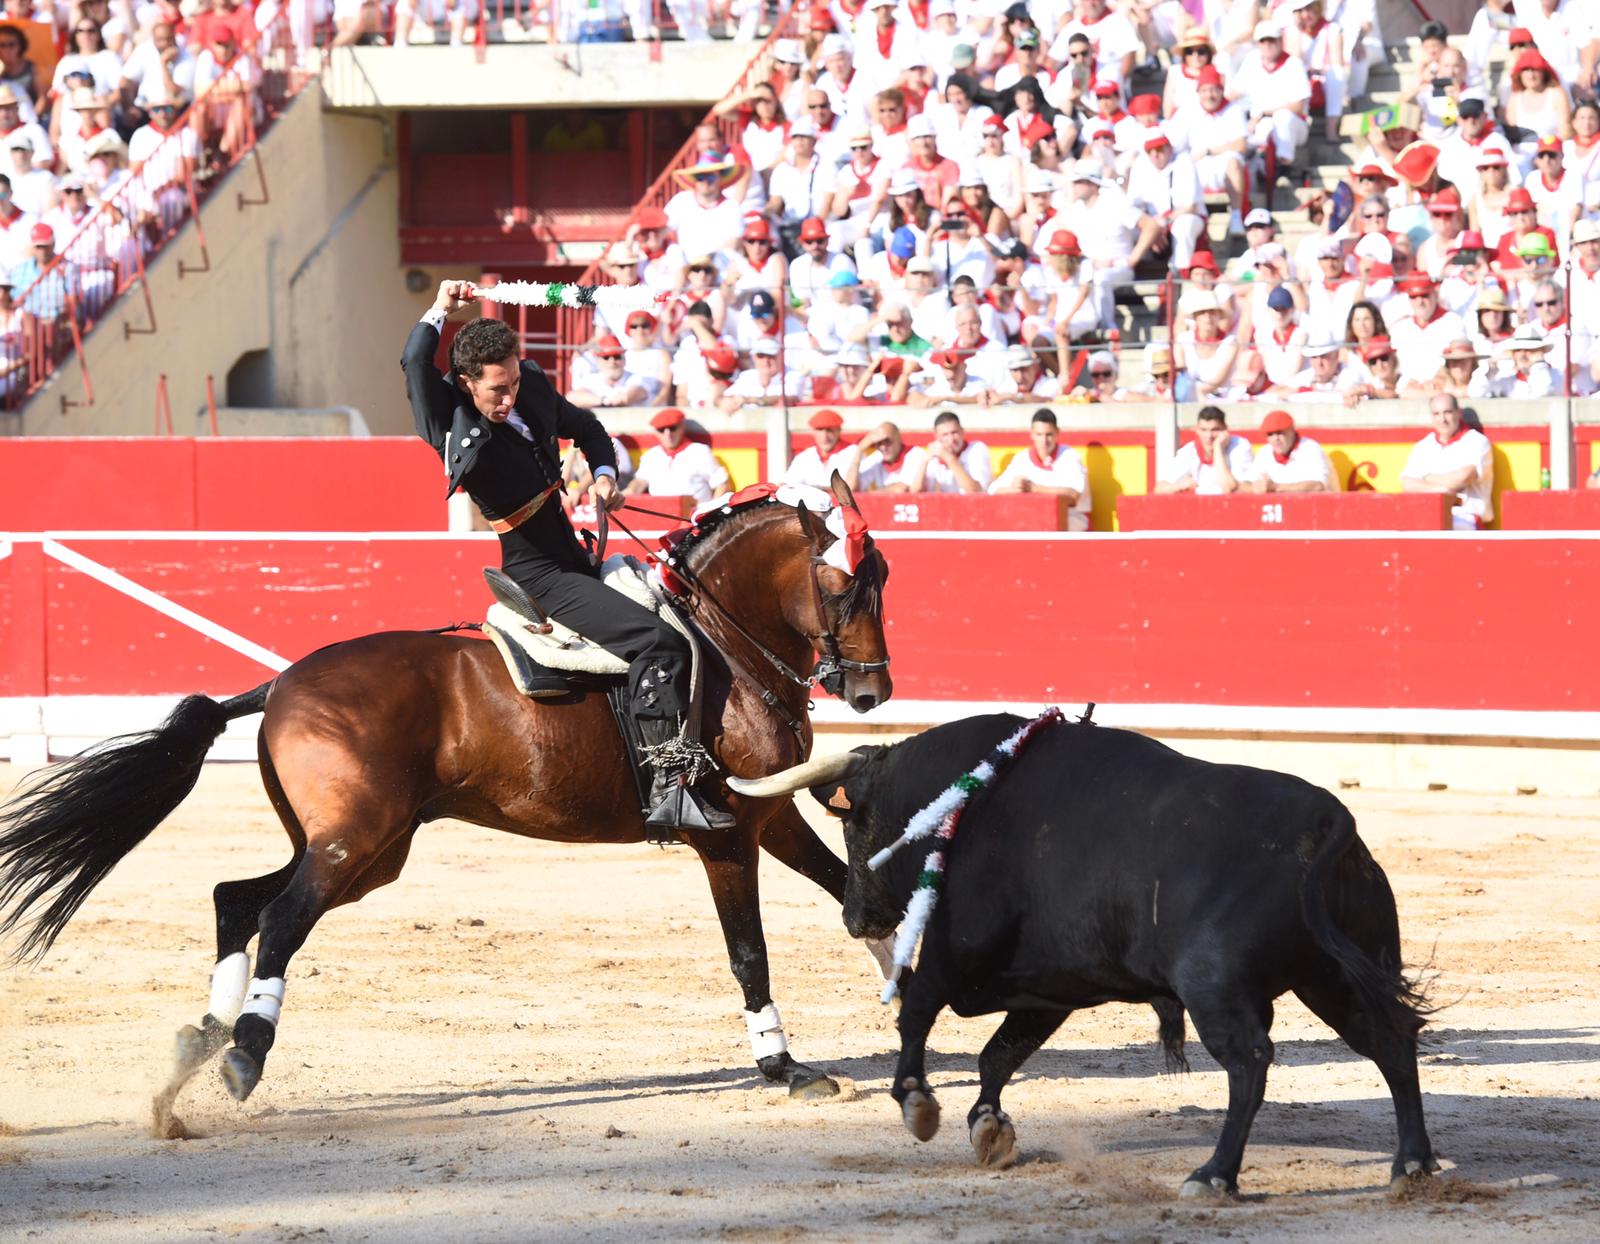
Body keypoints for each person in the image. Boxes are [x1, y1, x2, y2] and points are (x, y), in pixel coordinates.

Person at [403, 280, 733, 831]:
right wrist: (440, 308)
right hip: (540, 575)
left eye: (513, 382)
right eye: (496, 391)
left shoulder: (530, 385)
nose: (508, 398)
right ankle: (669, 788)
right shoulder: (449, 421)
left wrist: (604, 476)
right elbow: (415, 362)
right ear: (466, 383)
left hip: (579, 557)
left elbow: (587, 428)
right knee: (659, 643)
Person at [1400, 392, 1494, 530]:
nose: (1442, 419)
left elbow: (1463, 478)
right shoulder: (1423, 446)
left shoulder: (1477, 441)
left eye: (1447, 412)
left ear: (1458, 413)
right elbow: (1407, 483)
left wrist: (1425, 478)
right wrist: (1444, 491)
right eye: (1436, 414)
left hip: (1467, 518)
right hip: (1429, 516)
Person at [988, 408, 1092, 531]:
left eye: (1049, 435)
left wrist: (1034, 489)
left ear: (1057, 433)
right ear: (1031, 434)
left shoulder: (1070, 456)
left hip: (1071, 523)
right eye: (1039, 434)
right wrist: (1015, 489)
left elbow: (1073, 496)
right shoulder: (1022, 458)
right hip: (1034, 523)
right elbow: (993, 491)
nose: (1044, 441)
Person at [625, 406, 729, 504]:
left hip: (695, 514)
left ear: (682, 427)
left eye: (672, 428)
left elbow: (722, 485)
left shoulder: (699, 451)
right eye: (661, 430)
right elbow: (639, 483)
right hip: (659, 513)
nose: (668, 434)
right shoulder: (651, 455)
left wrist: (709, 511)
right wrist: (626, 493)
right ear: (655, 432)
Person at [1155, 405, 1253, 494]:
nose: (1208, 436)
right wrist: (1178, 486)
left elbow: (1229, 487)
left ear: (1225, 429)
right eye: (1204, 430)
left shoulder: (1240, 446)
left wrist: (1217, 448)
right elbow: (1159, 489)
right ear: (1197, 429)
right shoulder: (1189, 450)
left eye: (1215, 430)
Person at [1247, 409, 1333, 493]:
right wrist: (1255, 488)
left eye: (1279, 432)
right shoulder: (1264, 452)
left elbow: (1319, 485)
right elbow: (1247, 482)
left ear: (1291, 430)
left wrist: (1276, 487)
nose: (1275, 438)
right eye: (1270, 434)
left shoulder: (1310, 448)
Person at [911, 409, 992, 493]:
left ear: (962, 431)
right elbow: (915, 492)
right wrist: (925, 461)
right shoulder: (933, 457)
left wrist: (949, 458)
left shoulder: (976, 449)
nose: (951, 439)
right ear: (936, 436)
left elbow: (975, 491)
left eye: (954, 432)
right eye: (945, 435)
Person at [783, 408, 860, 487]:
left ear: (839, 430)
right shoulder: (804, 457)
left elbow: (855, 486)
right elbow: (788, 484)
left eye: (829, 430)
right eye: (820, 430)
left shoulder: (854, 451)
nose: (824, 437)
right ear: (813, 431)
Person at [853, 421, 926, 492]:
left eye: (887, 441)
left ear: (898, 438)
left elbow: (901, 489)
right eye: (878, 443)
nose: (883, 447)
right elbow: (852, 488)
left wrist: (871, 494)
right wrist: (859, 450)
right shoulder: (878, 456)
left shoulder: (915, 453)